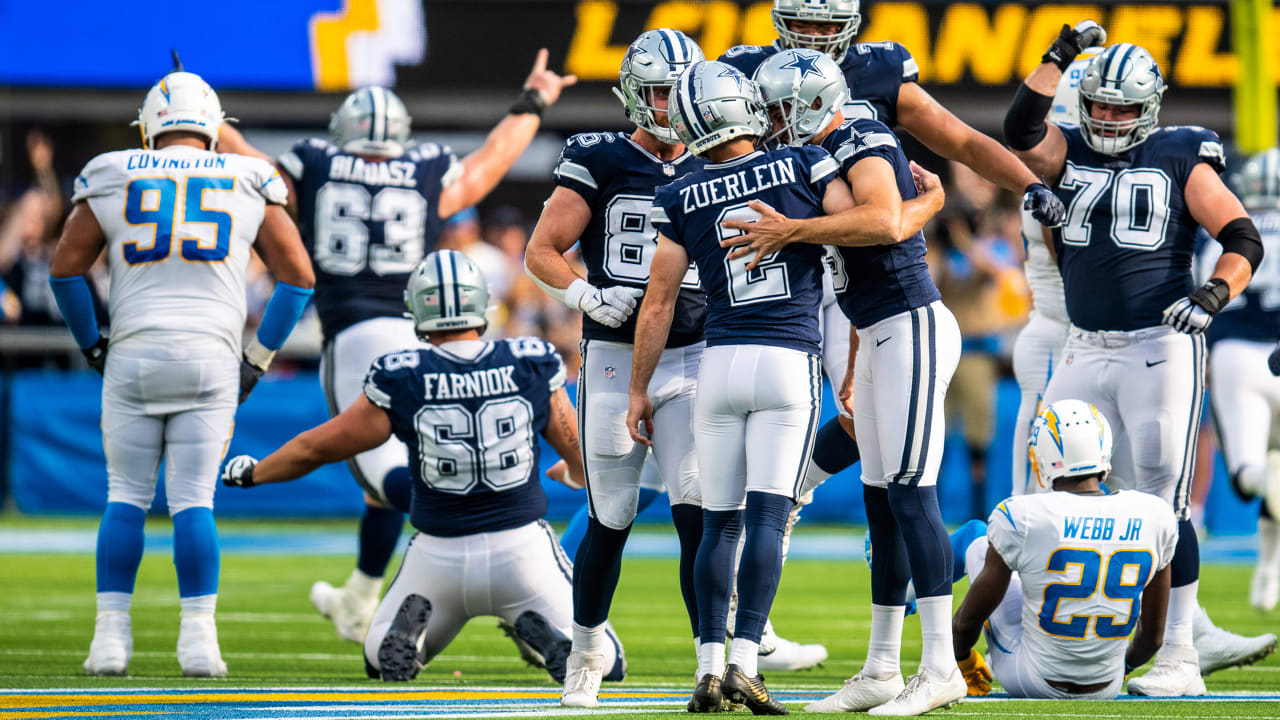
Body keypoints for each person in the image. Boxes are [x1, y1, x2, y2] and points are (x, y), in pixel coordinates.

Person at [216, 51, 578, 645]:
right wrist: (534, 99)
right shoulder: (424, 168)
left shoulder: (314, 164)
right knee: (377, 479)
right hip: (425, 328)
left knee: (381, 470)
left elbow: (251, 166)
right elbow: (489, 164)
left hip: (356, 334)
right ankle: (361, 595)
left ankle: (481, 537)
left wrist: (214, 120)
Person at [716, 0, 1065, 573]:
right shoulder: (748, 69)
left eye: (827, 26)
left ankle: (790, 501)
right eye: (802, 26)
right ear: (780, 24)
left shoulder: (877, 72)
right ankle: (759, 542)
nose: (814, 38)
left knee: (859, 414)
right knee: (731, 430)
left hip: (847, 266)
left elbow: (962, 142)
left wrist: (1026, 183)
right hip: (771, 265)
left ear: (849, 27)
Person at [1003, 26, 1277, 695]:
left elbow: (1241, 235)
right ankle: (1054, 637)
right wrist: (1059, 56)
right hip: (1082, 345)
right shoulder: (1067, 150)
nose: (1112, 117)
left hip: (1159, 349)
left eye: (1125, 108)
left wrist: (1215, 291)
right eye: (1101, 104)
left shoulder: (1183, 153)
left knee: (1164, 506)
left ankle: (1181, 653)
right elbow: (1019, 127)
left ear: (1150, 104)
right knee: (1052, 493)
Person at [221, 250, 625, 684]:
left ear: (417, 308)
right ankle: (544, 632)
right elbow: (580, 456)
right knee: (607, 662)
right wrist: (577, 473)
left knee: (380, 658)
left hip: (439, 555)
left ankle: (404, 641)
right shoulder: (530, 359)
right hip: (522, 551)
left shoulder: (403, 374)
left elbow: (315, 449)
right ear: (481, 302)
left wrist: (254, 472)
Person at [48, 71, 316, 677]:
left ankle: (109, 641)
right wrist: (259, 358)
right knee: (194, 503)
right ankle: (199, 642)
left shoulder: (113, 170)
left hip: (136, 352)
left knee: (125, 497)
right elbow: (298, 276)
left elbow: (65, 271)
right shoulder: (249, 176)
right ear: (215, 129)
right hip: (211, 357)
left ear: (147, 129)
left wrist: (92, 346)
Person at [734, 48, 964, 716]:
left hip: (915, 326)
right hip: (880, 331)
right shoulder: (819, 152)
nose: (770, 122)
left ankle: (942, 666)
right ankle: (882, 667)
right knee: (882, 504)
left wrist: (792, 230)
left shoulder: (860, 134)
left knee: (914, 497)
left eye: (777, 109)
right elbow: (859, 264)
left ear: (808, 102)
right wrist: (858, 360)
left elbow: (887, 220)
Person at [628, 58, 857, 714]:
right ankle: (746, 662)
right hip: (787, 359)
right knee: (766, 517)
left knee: (717, 526)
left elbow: (658, 302)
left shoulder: (677, 194)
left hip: (717, 364)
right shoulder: (803, 165)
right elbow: (855, 230)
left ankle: (705, 669)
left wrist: (639, 390)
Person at [524, 30, 710, 707]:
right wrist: (584, 293)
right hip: (612, 352)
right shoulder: (600, 157)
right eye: (659, 90)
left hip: (695, 351)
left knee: (698, 509)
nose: (670, 104)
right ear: (633, 90)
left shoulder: (718, 157)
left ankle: (712, 658)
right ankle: (587, 644)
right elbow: (541, 250)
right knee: (612, 514)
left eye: (680, 89)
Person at [952, 400, 1178, 700]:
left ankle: (904, 593)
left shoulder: (1024, 514)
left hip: (1033, 679)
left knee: (975, 536)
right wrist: (1118, 669)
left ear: (1044, 456)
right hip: (1106, 685)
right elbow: (1152, 638)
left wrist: (963, 661)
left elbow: (965, 624)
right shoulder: (1155, 514)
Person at [1010, 49, 1099, 496]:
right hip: (1058, 336)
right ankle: (966, 548)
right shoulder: (1052, 180)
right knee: (1036, 501)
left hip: (1092, 345)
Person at [1202, 148, 1280, 610]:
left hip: (1234, 356)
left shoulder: (1222, 236)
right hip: (1277, 352)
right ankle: (1269, 570)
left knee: (1248, 472)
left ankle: (1269, 568)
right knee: (1276, 464)